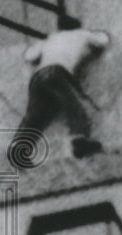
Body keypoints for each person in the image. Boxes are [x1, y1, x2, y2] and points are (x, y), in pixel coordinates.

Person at [8, 15, 111, 168]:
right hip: (57, 73)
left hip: (38, 77)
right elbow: (103, 41)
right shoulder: (83, 34)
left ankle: (18, 147)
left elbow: (30, 56)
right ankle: (79, 141)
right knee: (74, 107)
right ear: (77, 26)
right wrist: (100, 34)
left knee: (36, 114)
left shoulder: (50, 39)